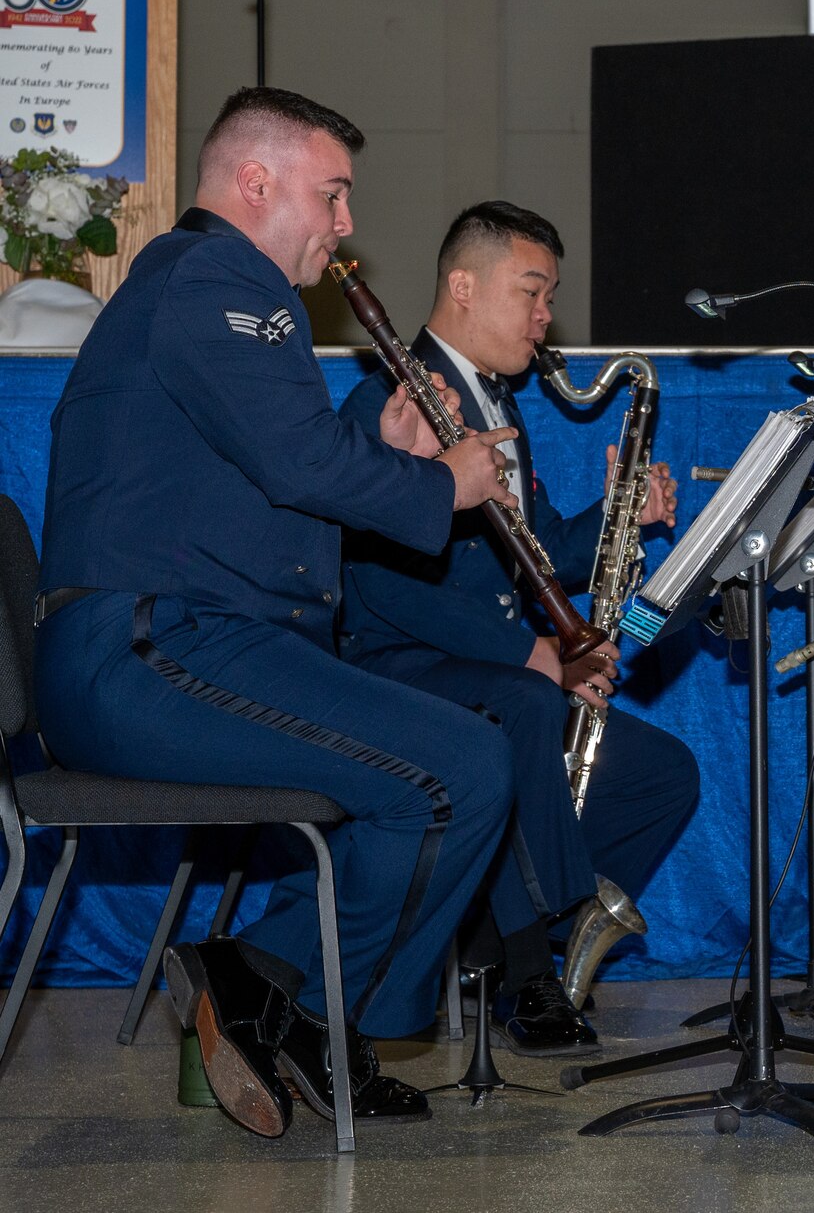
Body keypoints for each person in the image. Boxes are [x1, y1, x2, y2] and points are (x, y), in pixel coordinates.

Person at [33, 87, 523, 1138]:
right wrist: (442, 483)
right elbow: (299, 458)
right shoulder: (222, 280)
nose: (346, 225)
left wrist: (384, 463)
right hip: (147, 647)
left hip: (163, 641)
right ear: (255, 183)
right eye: (332, 193)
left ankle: (266, 981)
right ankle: (288, 995)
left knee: (458, 759)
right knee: (461, 770)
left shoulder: (196, 290)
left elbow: (263, 489)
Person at [336, 200, 698, 1054]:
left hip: (490, 673)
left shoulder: (497, 403)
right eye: (531, 292)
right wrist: (530, 652)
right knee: (525, 711)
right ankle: (532, 971)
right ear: (463, 285)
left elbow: (534, 549)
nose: (545, 317)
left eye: (550, 297)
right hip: (398, 666)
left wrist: (618, 515)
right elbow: (380, 583)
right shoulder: (384, 401)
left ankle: (491, 940)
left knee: (661, 774)